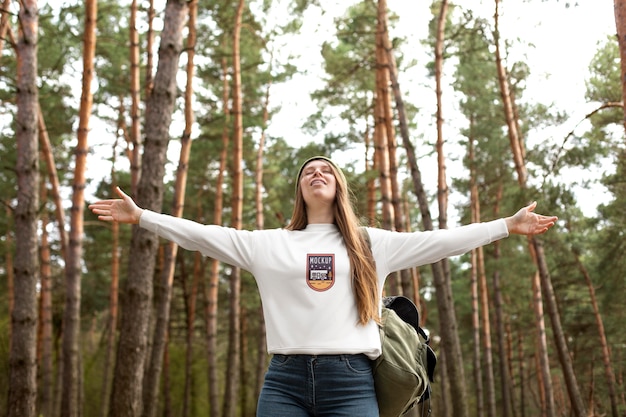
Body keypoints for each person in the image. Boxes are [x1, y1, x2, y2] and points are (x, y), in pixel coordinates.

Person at [88, 155, 558, 417]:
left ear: (338, 186)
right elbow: (202, 236)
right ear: (300, 190)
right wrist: (143, 217)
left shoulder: (371, 244)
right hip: (284, 383)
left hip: (352, 383)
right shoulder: (268, 245)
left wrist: (505, 225)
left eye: (327, 169)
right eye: (308, 171)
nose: (317, 173)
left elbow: (440, 242)